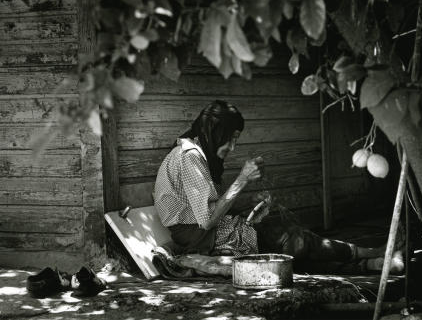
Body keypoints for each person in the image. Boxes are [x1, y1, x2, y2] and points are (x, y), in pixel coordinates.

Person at [154, 100, 404, 274]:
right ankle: (372, 253)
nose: (232, 147)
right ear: (214, 132)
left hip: (205, 230)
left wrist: (248, 206)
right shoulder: (189, 156)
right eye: (230, 139)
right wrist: (242, 179)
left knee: (289, 248)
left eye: (235, 140)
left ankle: (370, 265)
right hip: (198, 238)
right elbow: (207, 219)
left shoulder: (196, 153)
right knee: (291, 239)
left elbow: (209, 209)